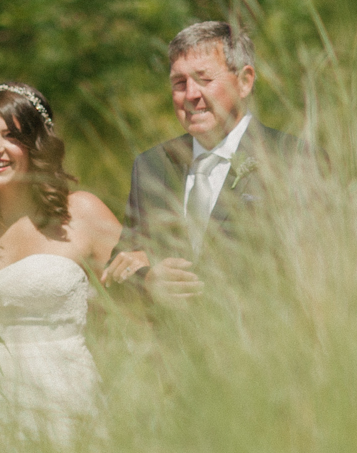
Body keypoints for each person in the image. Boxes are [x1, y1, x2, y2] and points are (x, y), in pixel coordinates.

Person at [0, 82, 121, 443]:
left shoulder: (82, 214)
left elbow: (139, 294)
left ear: (37, 145)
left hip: (65, 406)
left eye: (11, 136)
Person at [101, 21, 300, 301]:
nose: (191, 94)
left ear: (244, 82)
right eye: (179, 83)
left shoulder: (292, 159)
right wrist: (147, 280)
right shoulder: (152, 166)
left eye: (205, 79)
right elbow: (118, 268)